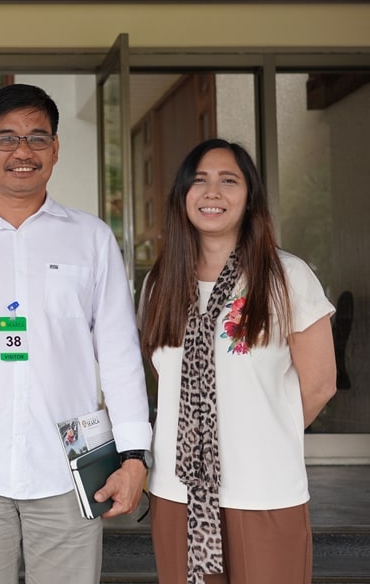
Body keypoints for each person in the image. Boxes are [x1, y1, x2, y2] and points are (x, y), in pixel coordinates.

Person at [0, 83, 152, 584]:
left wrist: (134, 457)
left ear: (56, 149)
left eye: (38, 138)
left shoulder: (92, 239)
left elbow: (122, 355)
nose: (23, 151)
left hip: (71, 469)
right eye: (7, 138)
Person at [139, 139, 337, 584]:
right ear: (182, 196)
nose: (212, 193)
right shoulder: (160, 282)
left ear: (250, 198)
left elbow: (321, 384)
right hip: (178, 492)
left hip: (263, 489)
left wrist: (262, 432)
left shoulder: (286, 276)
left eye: (229, 181)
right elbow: (164, 377)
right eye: (199, 181)